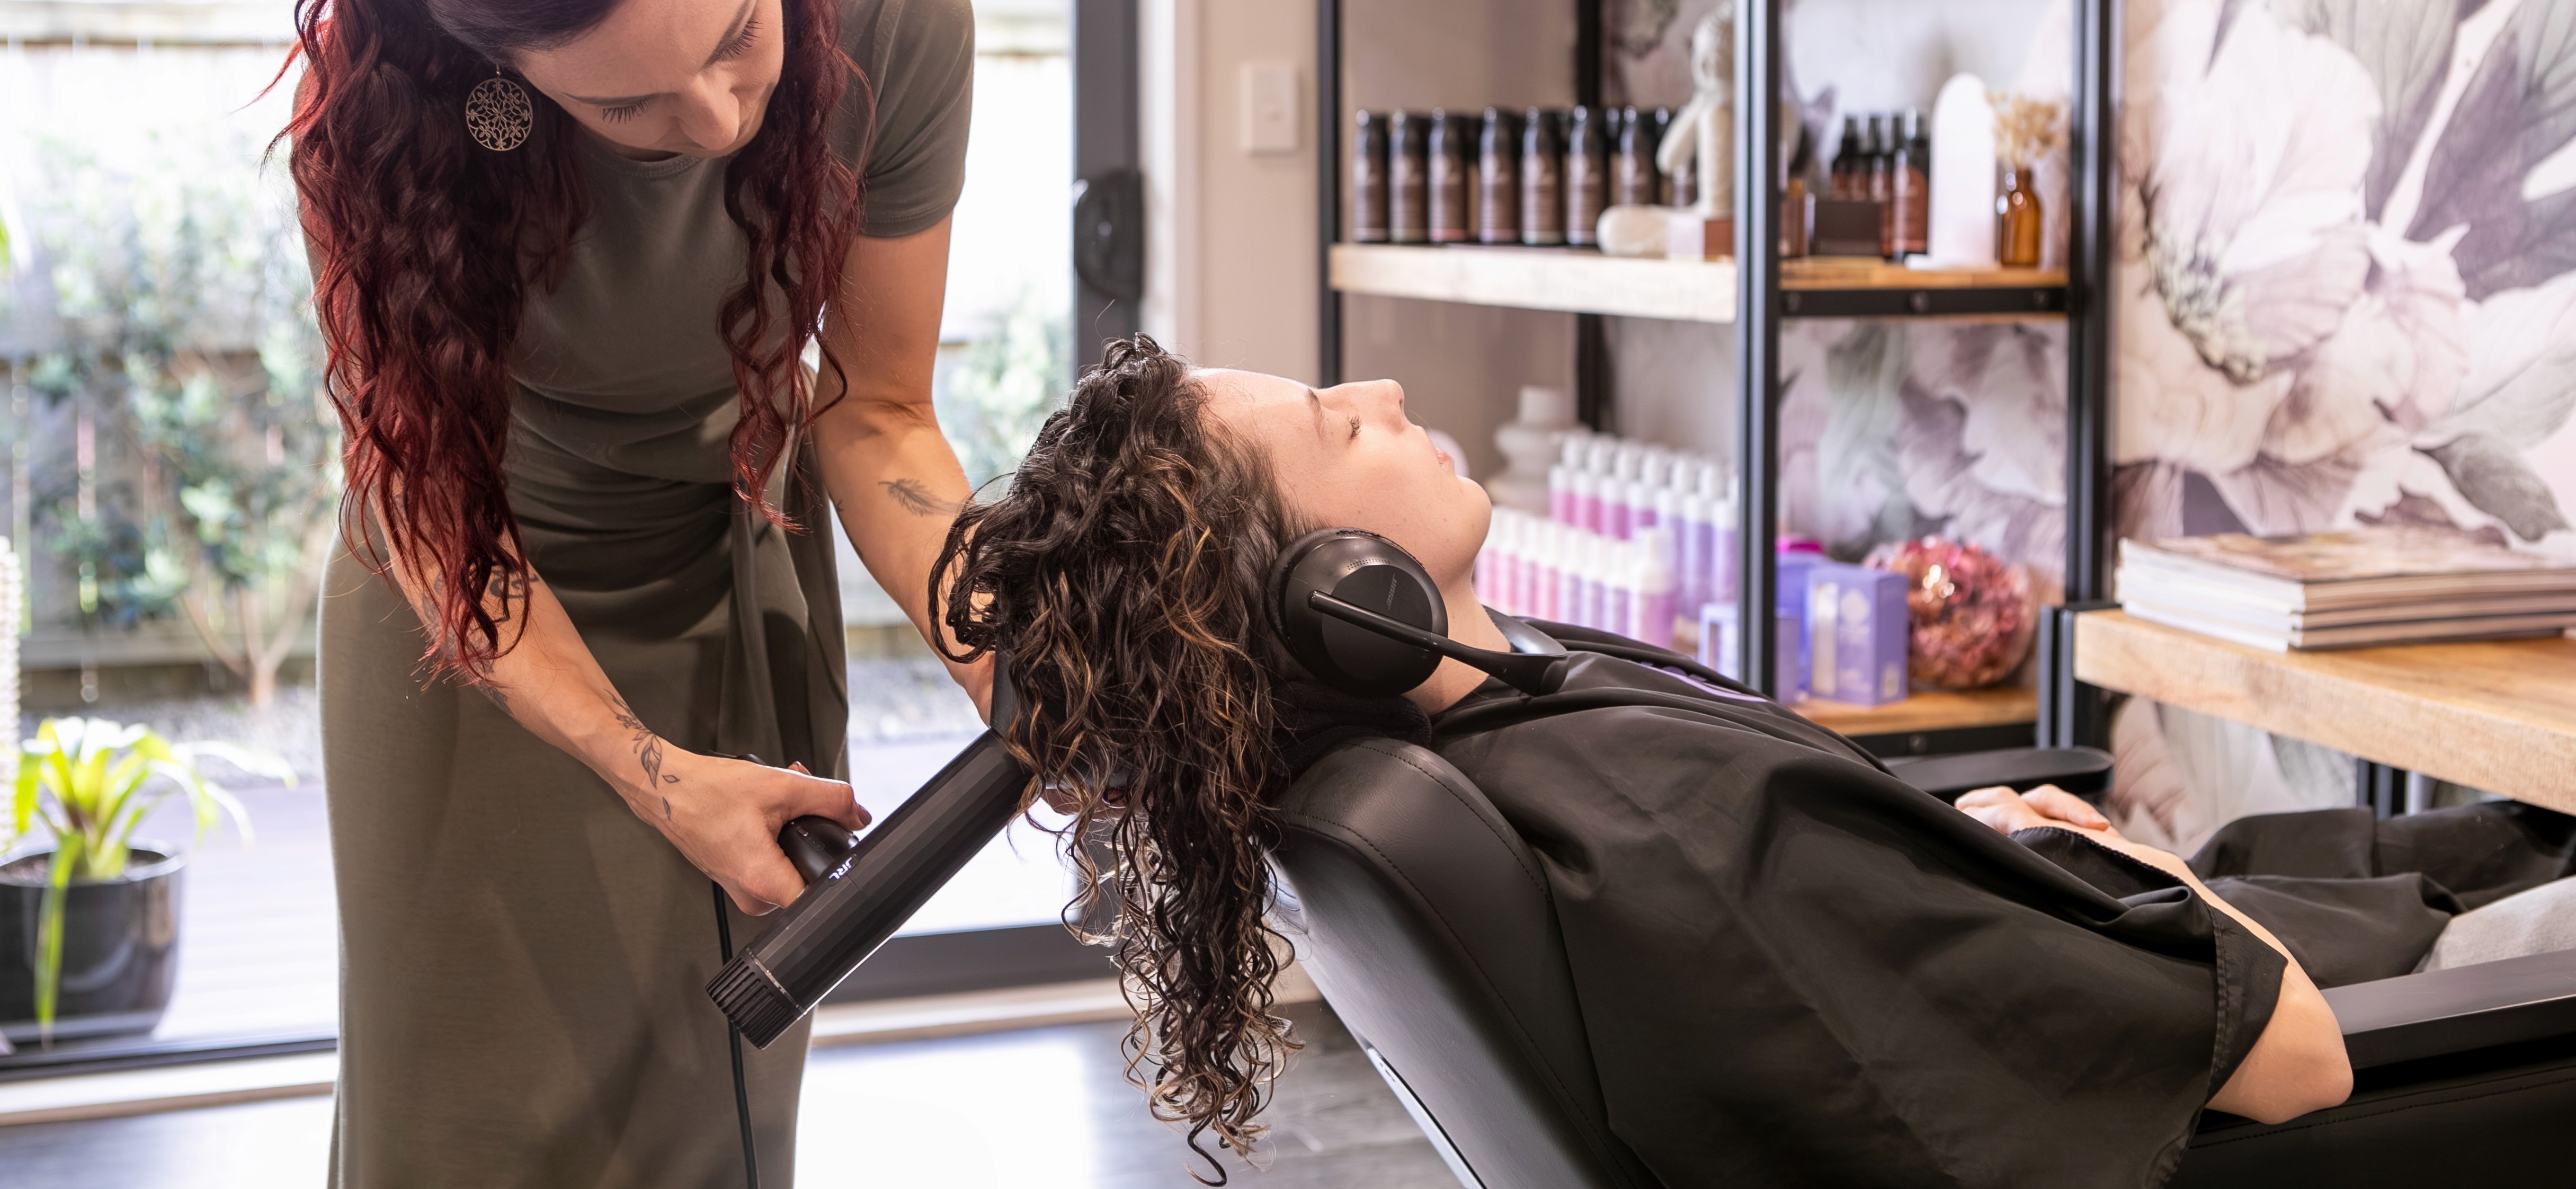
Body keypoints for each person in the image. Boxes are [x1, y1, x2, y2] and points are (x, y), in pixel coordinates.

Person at [929, 338, 2576, 1188]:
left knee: (2464, 830)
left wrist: (1975, 850)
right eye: (1336, 424)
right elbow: (2295, 1066)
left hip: (2181, 948)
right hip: (2374, 1025)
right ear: (1331, 589)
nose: (1385, 390)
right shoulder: (1655, 816)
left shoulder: (1492, 771)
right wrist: (2128, 867)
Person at [290, 0, 992, 1187]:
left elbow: (877, 410)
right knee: (463, 1129)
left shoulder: (894, 4)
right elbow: (418, 483)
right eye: (626, 104)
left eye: (740, 39)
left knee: (706, 1106)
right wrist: (646, 770)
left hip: (728, 576)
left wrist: (997, 638)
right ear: (499, 72)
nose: (724, 118)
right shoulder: (380, 109)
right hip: (470, 605)